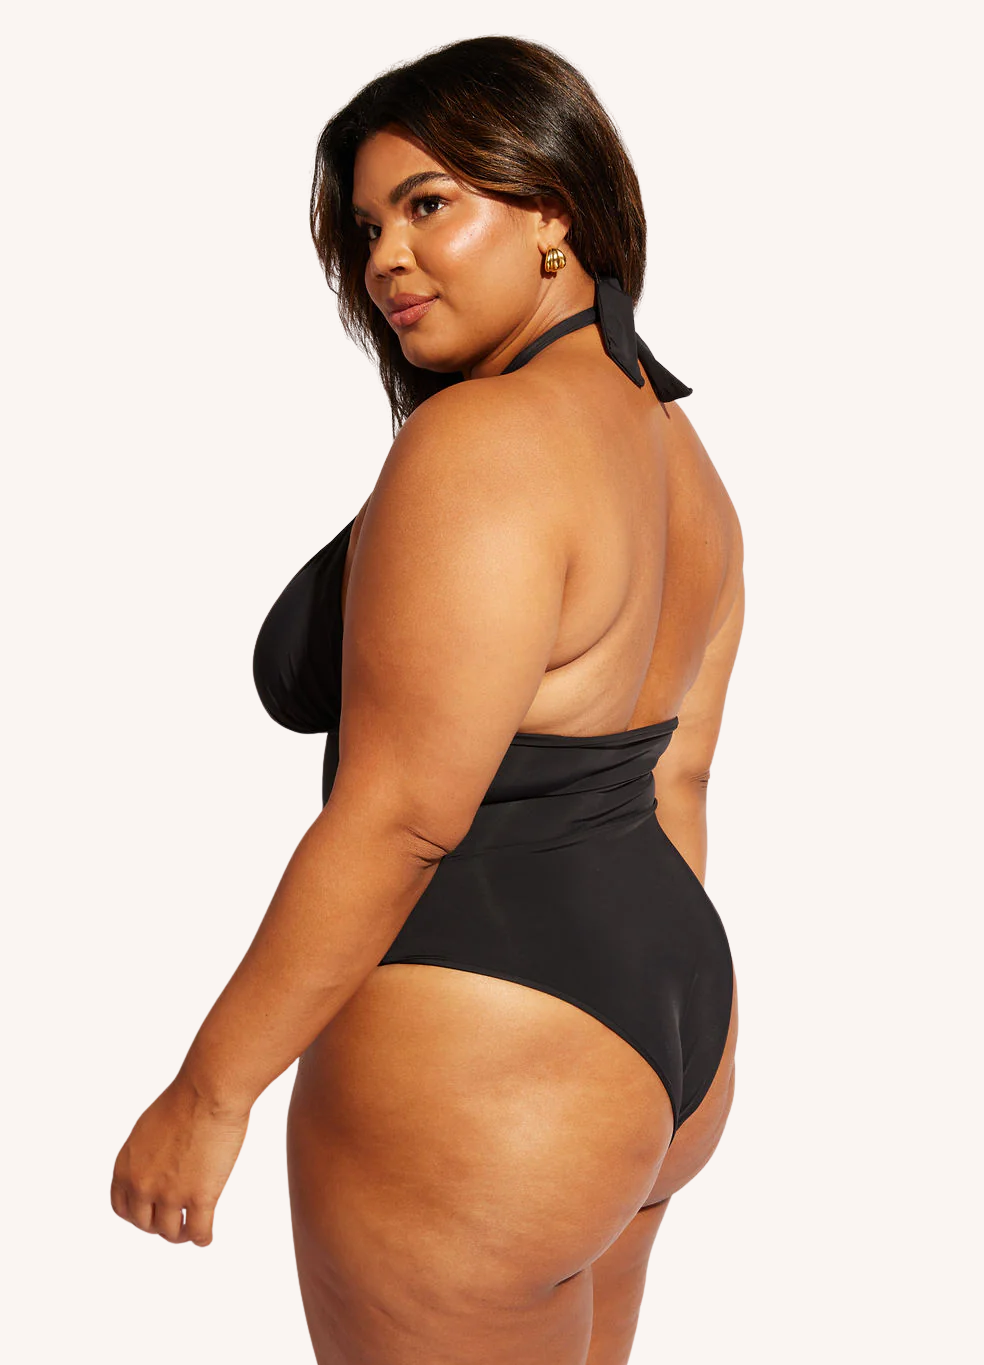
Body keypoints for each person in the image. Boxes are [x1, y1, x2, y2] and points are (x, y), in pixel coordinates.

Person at [110, 35, 744, 1365]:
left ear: (555, 211)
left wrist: (211, 1093)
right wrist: (640, 1019)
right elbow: (678, 777)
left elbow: (403, 816)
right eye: (366, 227)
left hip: (484, 1042)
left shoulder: (482, 443)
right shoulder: (678, 451)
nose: (386, 259)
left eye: (429, 204)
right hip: (666, 1020)